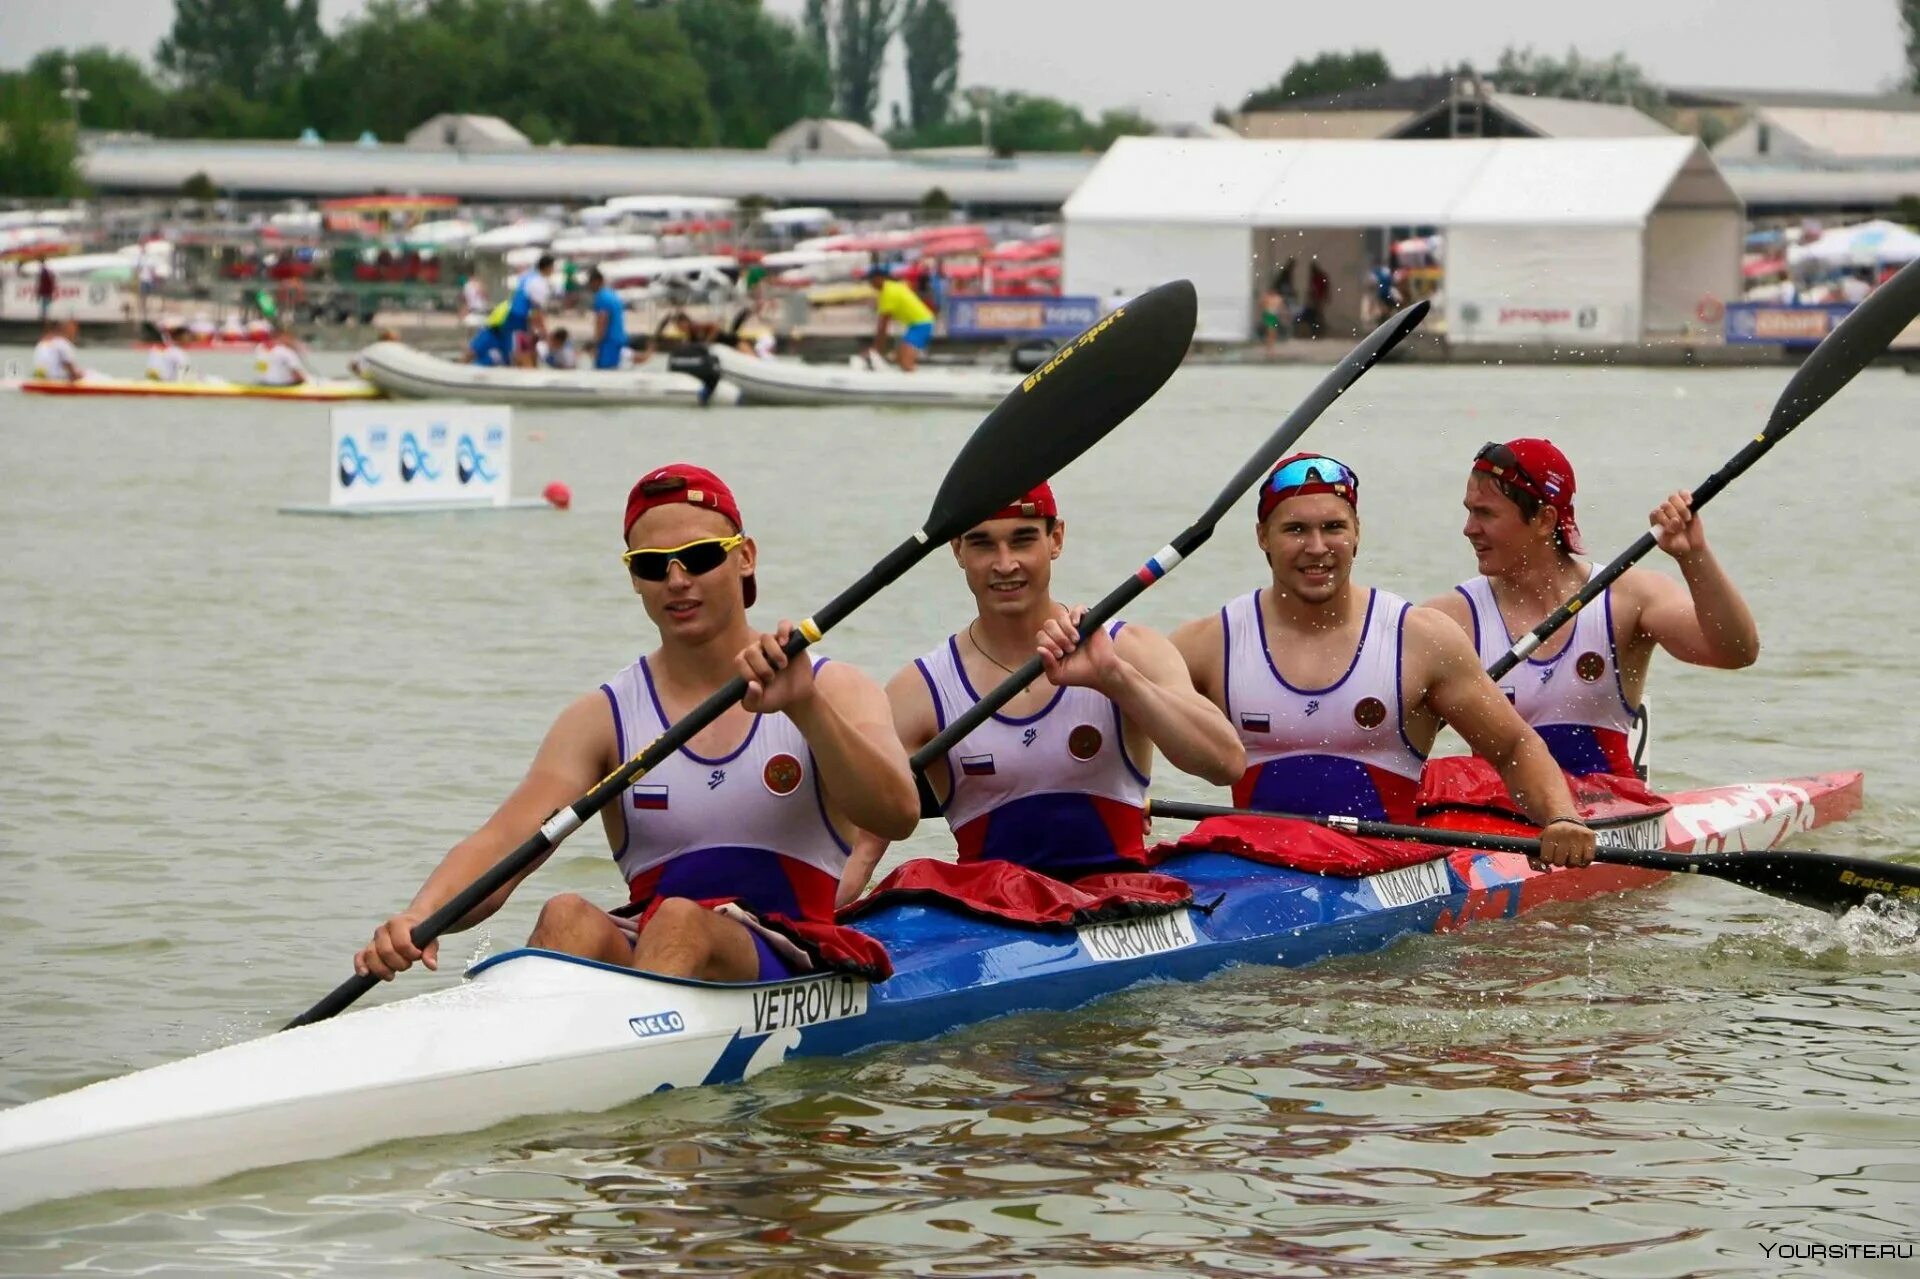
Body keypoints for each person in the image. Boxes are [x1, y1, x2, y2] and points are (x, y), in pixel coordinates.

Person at [353, 464, 920, 985]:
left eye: (699, 557)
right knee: (566, 915)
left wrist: (806, 708)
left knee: (680, 920)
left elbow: (897, 813)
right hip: (661, 945)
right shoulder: (602, 717)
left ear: (745, 556)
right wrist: (418, 916)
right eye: (652, 565)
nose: (676, 580)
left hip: (794, 955)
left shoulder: (834, 686)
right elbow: (505, 841)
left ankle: (630, 1054)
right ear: (634, 578)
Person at [1171, 454, 1598, 867]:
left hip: (1384, 867)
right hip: (1253, 862)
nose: (1317, 547)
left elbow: (1513, 747)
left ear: (1357, 532)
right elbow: (1122, 720)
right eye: (1296, 529)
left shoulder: (1420, 638)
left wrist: (1561, 818)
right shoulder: (1209, 643)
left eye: (1333, 527)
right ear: (1263, 536)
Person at [840, 485, 1245, 904]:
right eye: (982, 544)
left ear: (1056, 539)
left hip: (1119, 899)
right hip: (991, 911)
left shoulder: (1128, 649)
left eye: (1023, 539)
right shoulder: (920, 690)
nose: (1005, 564)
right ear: (958, 550)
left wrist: (1116, 679)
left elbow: (1225, 764)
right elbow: (861, 849)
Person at [1421, 439, 1759, 779]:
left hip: (1611, 805)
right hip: (1496, 815)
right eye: (1469, 511)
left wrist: (1693, 556)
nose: (1469, 529)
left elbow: (1735, 652)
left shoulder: (1627, 598)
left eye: (1486, 513)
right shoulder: (1450, 620)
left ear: (1543, 519)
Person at [865, 265, 935, 373]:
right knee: (900, 360)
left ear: (880, 278)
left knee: (906, 364)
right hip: (916, 325)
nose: (870, 283)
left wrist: (876, 349)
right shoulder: (893, 286)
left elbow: (883, 326)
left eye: (871, 280)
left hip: (921, 324)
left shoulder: (888, 292)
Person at [501, 253, 554, 368]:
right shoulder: (539, 282)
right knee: (524, 353)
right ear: (547, 267)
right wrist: (545, 332)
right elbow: (537, 311)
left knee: (518, 350)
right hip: (520, 320)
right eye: (552, 268)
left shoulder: (528, 276)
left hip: (513, 317)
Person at [588, 267, 628, 371]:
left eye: (590, 283)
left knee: (604, 372)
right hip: (618, 338)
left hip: (608, 341)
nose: (589, 286)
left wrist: (595, 342)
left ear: (597, 282)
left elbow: (602, 320)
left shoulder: (601, 297)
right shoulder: (612, 294)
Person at [31, 318, 85, 383]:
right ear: (65, 330)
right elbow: (71, 369)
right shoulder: (63, 343)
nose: (76, 333)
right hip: (56, 380)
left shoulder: (42, 342)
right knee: (89, 374)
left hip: (39, 377)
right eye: (74, 330)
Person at [35, 258, 56, 325]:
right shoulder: (47, 272)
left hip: (45, 290)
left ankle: (44, 316)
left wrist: (38, 292)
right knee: (45, 303)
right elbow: (50, 281)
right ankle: (44, 316)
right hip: (47, 290)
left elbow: (42, 283)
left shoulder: (43, 272)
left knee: (44, 303)